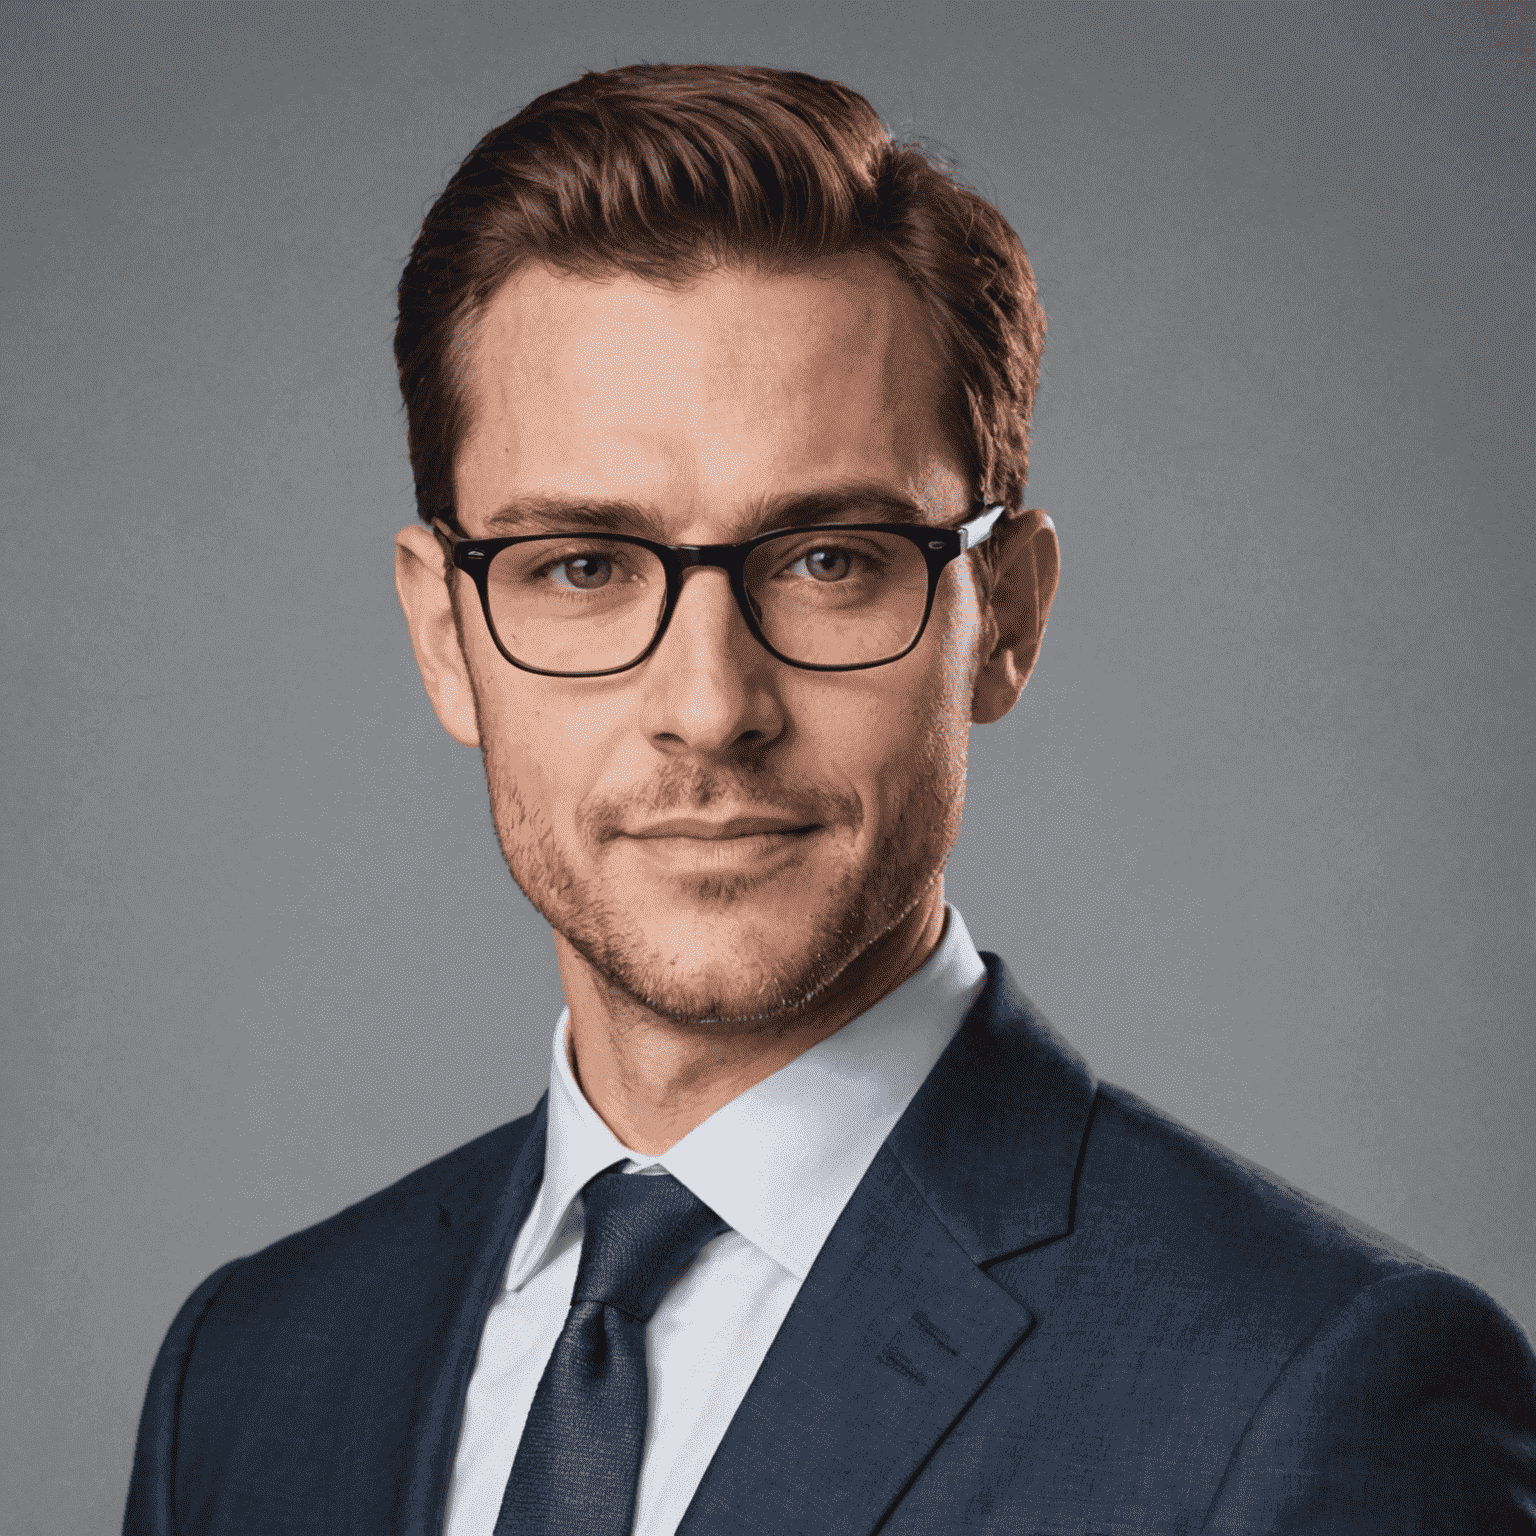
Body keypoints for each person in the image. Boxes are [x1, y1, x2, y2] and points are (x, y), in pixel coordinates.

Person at [124, 62, 1535, 1536]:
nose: (711, 705)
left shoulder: (1314, 1394)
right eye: (585, 567)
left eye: (828, 559)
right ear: (443, 635)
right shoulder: (249, 1374)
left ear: (1006, 615)